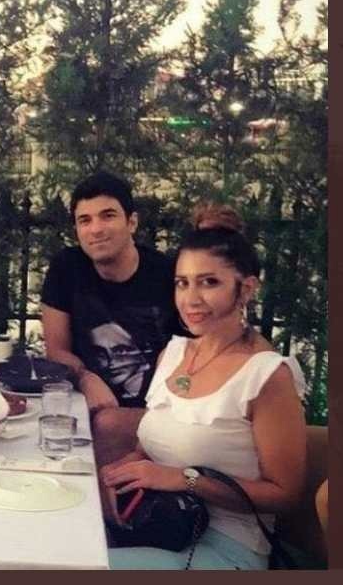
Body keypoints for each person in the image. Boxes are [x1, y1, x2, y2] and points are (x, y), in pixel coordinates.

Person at [102, 210, 307, 569]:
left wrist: (186, 480)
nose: (191, 299)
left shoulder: (266, 375)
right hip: (158, 525)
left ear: (246, 289)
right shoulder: (173, 354)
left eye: (209, 282)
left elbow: (285, 495)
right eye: (182, 283)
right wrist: (120, 473)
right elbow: (149, 447)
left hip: (227, 549)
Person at [41, 171, 177, 466]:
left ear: (132, 222)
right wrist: (86, 378)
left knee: (108, 426)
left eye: (108, 216)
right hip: (86, 406)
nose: (96, 229)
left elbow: (193, 356)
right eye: (85, 220)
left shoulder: (166, 275)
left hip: (158, 412)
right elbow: (56, 349)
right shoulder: (67, 269)